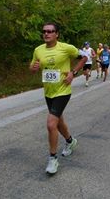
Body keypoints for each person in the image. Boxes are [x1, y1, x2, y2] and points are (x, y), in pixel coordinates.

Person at [30, 22, 87, 175]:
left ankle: (53, 159)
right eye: (44, 31)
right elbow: (32, 68)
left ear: (57, 34)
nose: (46, 34)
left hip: (63, 90)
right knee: (58, 121)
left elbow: (84, 58)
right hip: (48, 92)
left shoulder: (66, 48)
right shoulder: (38, 50)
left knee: (50, 124)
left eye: (50, 31)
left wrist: (73, 73)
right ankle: (70, 141)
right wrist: (33, 69)